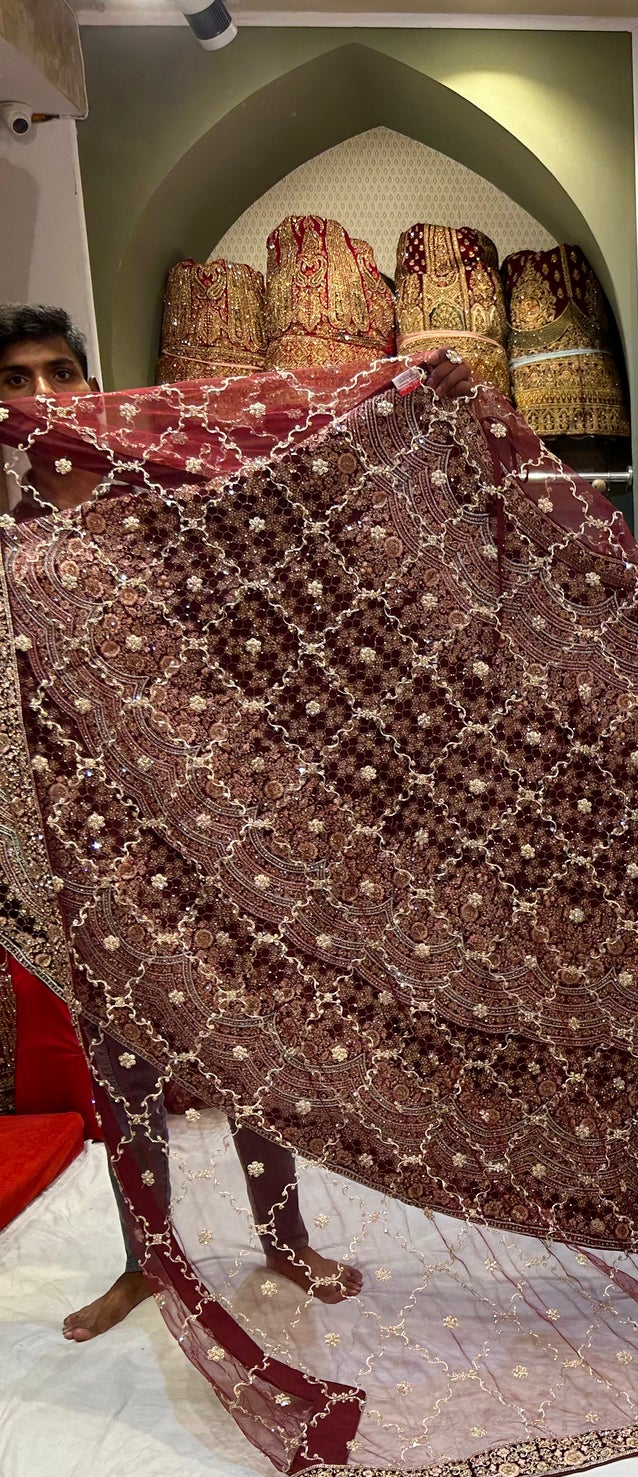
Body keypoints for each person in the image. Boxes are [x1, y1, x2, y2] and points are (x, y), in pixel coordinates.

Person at [0, 304, 478, 1339]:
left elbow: (297, 471)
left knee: (252, 1044)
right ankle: (147, 1259)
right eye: (18, 381)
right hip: (83, 849)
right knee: (121, 1060)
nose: (44, 400)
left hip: (210, 831)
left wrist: (403, 390)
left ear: (96, 386)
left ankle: (283, 1236)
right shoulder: (6, 549)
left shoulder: (168, 512)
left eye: (60, 374)